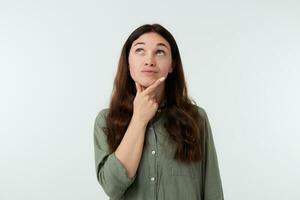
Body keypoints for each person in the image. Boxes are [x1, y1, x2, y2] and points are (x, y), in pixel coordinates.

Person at [93, 23, 224, 200]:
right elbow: (112, 186)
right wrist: (139, 119)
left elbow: (212, 188)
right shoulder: (106, 120)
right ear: (128, 61)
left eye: (160, 52)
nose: (149, 60)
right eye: (140, 51)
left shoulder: (196, 118)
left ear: (172, 64)